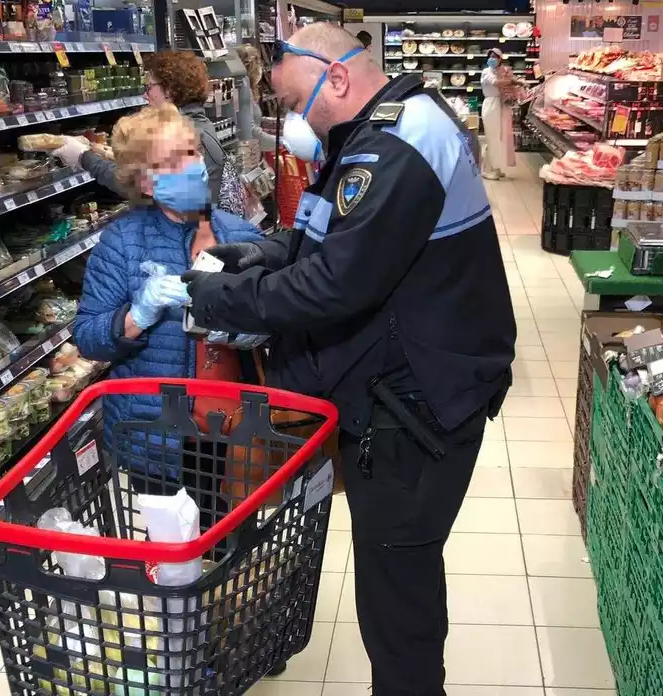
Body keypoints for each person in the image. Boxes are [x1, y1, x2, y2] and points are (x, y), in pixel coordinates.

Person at [180, 23, 516, 696]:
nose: (297, 123)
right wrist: (255, 258)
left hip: (421, 403)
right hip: (399, 388)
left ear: (335, 78)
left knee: (397, 591)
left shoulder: (398, 144)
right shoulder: (364, 135)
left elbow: (336, 283)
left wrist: (224, 300)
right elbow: (317, 238)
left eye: (300, 105)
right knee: (391, 576)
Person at [72, 103, 266, 499]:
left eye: (190, 154)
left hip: (235, 428)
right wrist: (138, 314)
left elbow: (276, 321)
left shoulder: (245, 237)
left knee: (230, 544)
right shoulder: (122, 242)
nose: (189, 168)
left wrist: (242, 329)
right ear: (146, 183)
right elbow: (88, 337)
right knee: (173, 546)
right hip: (155, 435)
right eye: (170, 162)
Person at [52, 51, 231, 207]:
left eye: (149, 87)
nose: (145, 95)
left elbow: (141, 187)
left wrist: (83, 157)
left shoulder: (184, 135)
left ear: (169, 91)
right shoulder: (200, 124)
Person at [480, 47, 517, 180]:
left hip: (502, 105)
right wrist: (512, 81)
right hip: (491, 105)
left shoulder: (501, 71)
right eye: (490, 56)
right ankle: (487, 169)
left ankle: (497, 167)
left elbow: (506, 82)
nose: (492, 59)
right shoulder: (486, 72)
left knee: (502, 138)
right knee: (492, 137)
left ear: (501, 59)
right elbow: (495, 82)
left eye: (495, 57)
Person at [235, 44, 278, 152]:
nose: (261, 67)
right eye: (258, 63)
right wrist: (282, 142)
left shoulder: (248, 89)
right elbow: (251, 132)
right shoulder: (242, 90)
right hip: (246, 154)